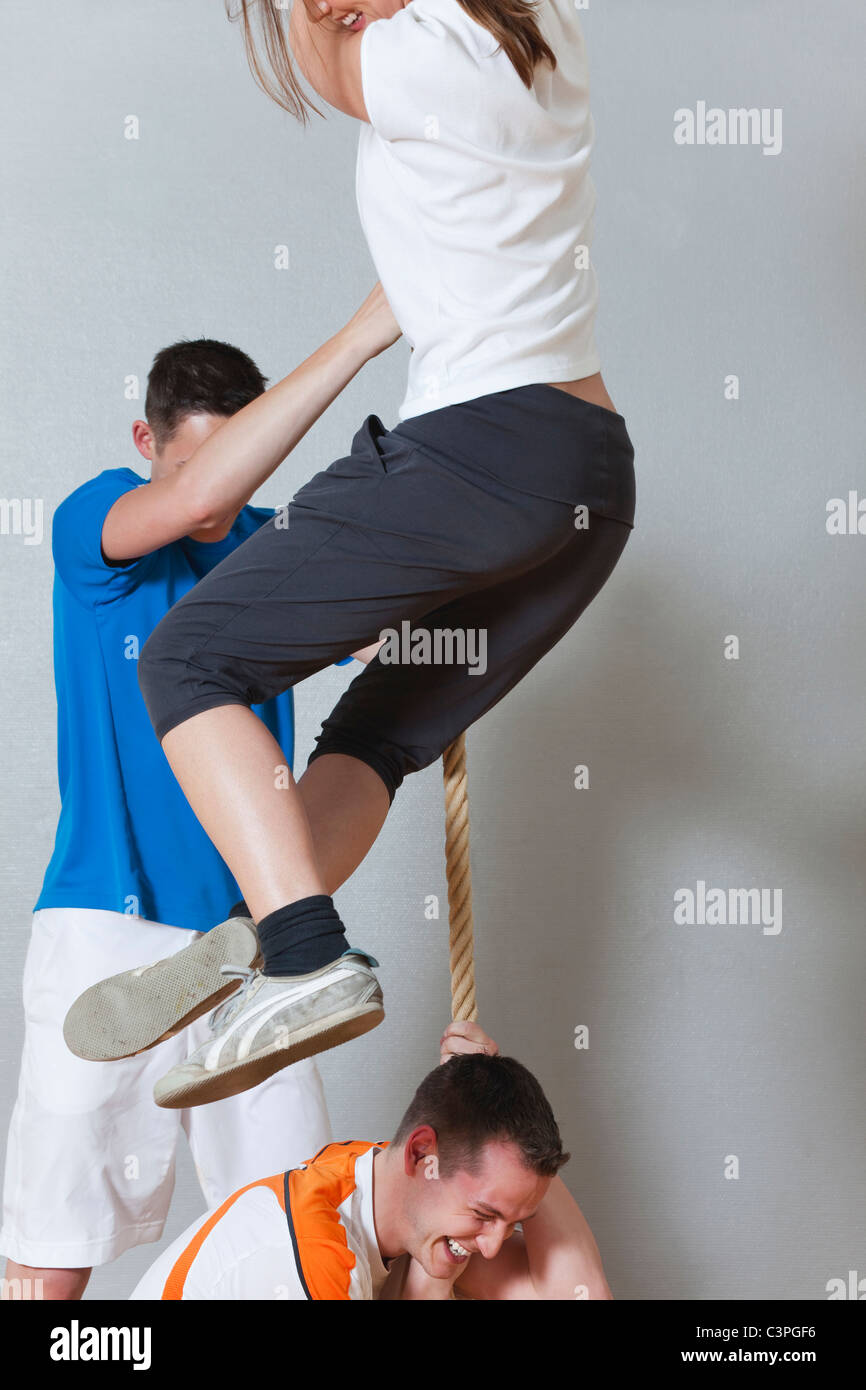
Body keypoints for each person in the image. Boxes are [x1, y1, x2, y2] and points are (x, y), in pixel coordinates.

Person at [77, 0, 637, 1108]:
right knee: (374, 736)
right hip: (587, 482)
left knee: (187, 662)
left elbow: (318, 55)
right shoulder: (549, 30)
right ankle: (261, 932)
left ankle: (300, 950)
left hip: (480, 452)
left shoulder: (414, 54)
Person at [1, 287, 398, 1299]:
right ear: (146, 438)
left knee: (286, 1212)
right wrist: (361, 332)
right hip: (107, 922)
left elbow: (381, 630)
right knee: (59, 1227)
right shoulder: (99, 520)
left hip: (257, 940)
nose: (224, 491)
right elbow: (196, 503)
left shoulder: (276, 546)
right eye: (200, 458)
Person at [130, 1020, 612, 1300]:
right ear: (421, 1153)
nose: (492, 1246)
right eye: (486, 1215)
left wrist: (499, 1102)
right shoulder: (310, 1264)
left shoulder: (389, 1187)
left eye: (513, 1223)